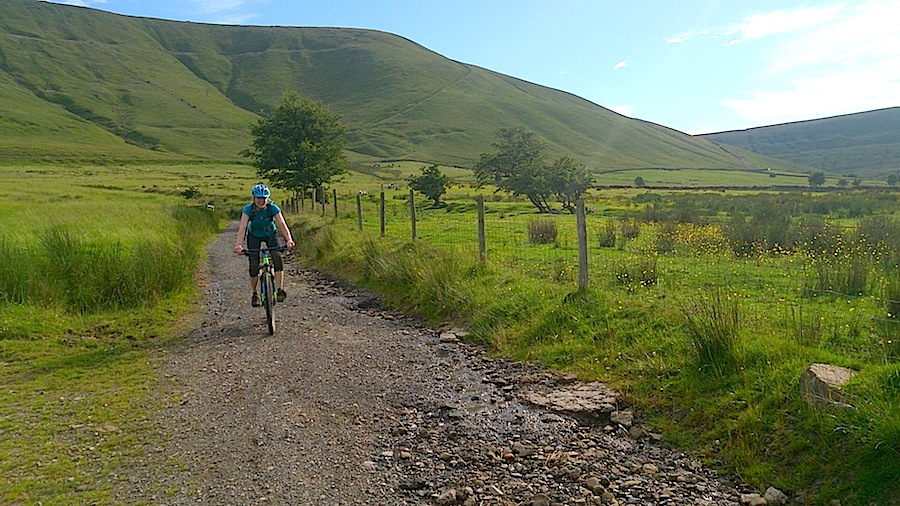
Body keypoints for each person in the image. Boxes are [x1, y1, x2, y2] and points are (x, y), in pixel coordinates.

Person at [233, 184, 296, 306]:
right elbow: (242, 228)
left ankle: (279, 289)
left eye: (264, 198)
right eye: (258, 198)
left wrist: (289, 240)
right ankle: (255, 293)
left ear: (267, 199)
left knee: (277, 257)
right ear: (254, 198)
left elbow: (282, 224)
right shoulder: (248, 210)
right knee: (254, 264)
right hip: (254, 235)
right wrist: (239, 245)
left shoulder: (272, 208)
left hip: (270, 234)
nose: (261, 201)